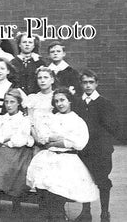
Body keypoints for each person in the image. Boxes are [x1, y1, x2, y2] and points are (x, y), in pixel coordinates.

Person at [26, 87, 99, 222]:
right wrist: (60, 139)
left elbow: (78, 142)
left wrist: (58, 141)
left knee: (58, 191)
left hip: (67, 159)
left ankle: (58, 216)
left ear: (69, 101)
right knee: (42, 187)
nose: (60, 104)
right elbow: (44, 138)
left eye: (62, 100)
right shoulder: (52, 118)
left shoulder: (77, 120)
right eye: (57, 101)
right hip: (49, 156)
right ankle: (48, 215)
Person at [72, 70, 121, 222]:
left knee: (102, 181)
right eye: (85, 82)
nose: (88, 85)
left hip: (100, 150)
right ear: (81, 84)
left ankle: (104, 213)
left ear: (96, 83)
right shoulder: (76, 103)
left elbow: (112, 127)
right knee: (84, 179)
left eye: (91, 82)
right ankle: (86, 211)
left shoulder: (104, 103)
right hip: (83, 149)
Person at [0, 89, 34, 217]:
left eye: (12, 102)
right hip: (2, 150)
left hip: (19, 151)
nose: (9, 105)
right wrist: (8, 137)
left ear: (18, 103)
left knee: (11, 167)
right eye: (6, 102)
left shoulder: (24, 119)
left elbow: (20, 139)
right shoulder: (0, 118)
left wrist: (8, 141)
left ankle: (15, 205)